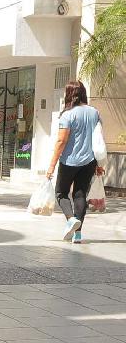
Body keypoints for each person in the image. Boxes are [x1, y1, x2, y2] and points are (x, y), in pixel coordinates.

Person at [46, 81, 105, 244]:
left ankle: (71, 219)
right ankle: (77, 235)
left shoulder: (68, 114)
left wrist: (51, 165)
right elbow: (99, 139)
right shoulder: (94, 112)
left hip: (69, 161)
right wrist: (99, 164)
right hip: (89, 162)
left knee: (61, 193)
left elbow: (61, 141)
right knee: (80, 195)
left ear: (69, 94)